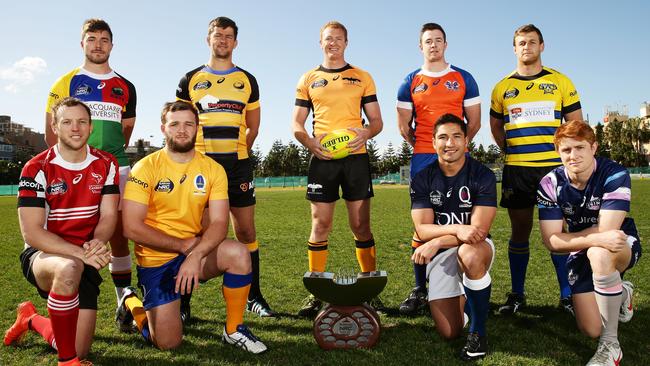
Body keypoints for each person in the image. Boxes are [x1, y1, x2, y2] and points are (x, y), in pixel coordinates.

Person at [116, 101, 267, 354]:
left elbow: (219, 223)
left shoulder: (212, 169)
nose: (182, 130)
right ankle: (131, 302)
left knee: (239, 253)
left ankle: (233, 329)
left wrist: (194, 254)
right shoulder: (145, 167)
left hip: (196, 252)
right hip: (157, 260)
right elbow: (131, 228)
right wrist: (183, 246)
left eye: (189, 124)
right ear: (163, 128)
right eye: (175, 124)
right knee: (167, 343)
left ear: (198, 128)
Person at [5, 97, 119, 366]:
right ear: (54, 127)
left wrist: (98, 243)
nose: (75, 128)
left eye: (82, 122)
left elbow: (109, 215)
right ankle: (67, 363)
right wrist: (80, 253)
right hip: (44, 255)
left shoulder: (106, 163)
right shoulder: (36, 168)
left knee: (78, 346)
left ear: (91, 127)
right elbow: (32, 233)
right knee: (68, 268)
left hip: (84, 255)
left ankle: (30, 319)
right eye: (67, 122)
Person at [176, 16, 274, 318]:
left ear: (235, 42)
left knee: (245, 230)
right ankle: (183, 302)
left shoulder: (247, 80)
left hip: (238, 167)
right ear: (208, 39)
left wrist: (237, 155)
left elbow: (253, 128)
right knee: (196, 231)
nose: (223, 40)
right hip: (201, 167)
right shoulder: (190, 79)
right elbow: (181, 124)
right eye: (218, 35)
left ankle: (253, 296)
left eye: (228, 36)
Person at [44, 18, 137, 322]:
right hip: (74, 171)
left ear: (112, 45)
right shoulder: (65, 83)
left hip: (117, 168)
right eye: (92, 39)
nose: (98, 45)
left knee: (120, 233)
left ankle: (124, 298)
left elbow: (125, 131)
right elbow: (51, 134)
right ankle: (71, 292)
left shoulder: (126, 87)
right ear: (82, 43)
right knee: (78, 232)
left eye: (104, 39)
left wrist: (105, 160)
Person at [292, 20, 384, 317]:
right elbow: (296, 124)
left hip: (356, 158)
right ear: (321, 43)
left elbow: (377, 122)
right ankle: (315, 291)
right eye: (328, 39)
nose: (333, 43)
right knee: (320, 226)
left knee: (361, 226)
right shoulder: (308, 78)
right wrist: (309, 142)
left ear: (346, 42)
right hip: (322, 160)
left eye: (338, 39)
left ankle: (369, 288)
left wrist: (366, 133)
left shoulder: (362, 77)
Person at [489, 24, 583, 315]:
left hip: (555, 172)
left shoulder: (560, 82)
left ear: (542, 46)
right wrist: (512, 150)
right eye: (521, 43)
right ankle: (517, 294)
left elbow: (576, 126)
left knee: (559, 233)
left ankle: (567, 295)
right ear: (514, 49)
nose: (526, 47)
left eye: (532, 42)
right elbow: (496, 126)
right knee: (519, 231)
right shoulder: (503, 87)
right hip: (518, 170)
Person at [537, 120, 640, 365]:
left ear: (594, 147)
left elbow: (608, 232)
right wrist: (587, 237)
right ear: (557, 152)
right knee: (590, 328)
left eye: (580, 148)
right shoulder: (549, 183)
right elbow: (551, 240)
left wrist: (574, 238)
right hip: (583, 245)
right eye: (566, 150)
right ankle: (622, 292)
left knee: (600, 253)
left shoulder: (614, 173)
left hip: (619, 242)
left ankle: (611, 345)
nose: (573, 156)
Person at [396, 22, 481, 315]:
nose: (433, 45)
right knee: (423, 222)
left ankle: (467, 282)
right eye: (428, 41)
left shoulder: (464, 78)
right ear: (420, 46)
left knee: (463, 214)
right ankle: (420, 288)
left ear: (446, 44)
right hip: (423, 156)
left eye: (438, 40)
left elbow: (474, 122)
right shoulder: (409, 81)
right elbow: (404, 127)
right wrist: (428, 145)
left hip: (459, 158)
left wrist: (454, 146)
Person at [410, 113, 496, 360]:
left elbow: (477, 232)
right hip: (441, 254)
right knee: (449, 331)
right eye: (443, 137)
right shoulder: (422, 178)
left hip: (475, 247)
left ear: (466, 141)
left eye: (457, 136)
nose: (450, 143)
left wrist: (438, 239)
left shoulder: (482, 175)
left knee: (470, 253)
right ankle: (468, 298)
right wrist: (457, 229)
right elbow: (422, 229)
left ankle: (478, 333)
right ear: (434, 142)